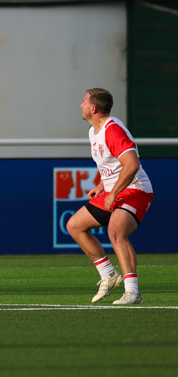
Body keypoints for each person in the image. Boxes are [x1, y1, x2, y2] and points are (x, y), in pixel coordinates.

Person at [66, 88, 154, 305]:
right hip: (113, 189)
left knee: (116, 232)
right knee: (75, 226)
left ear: (93, 108)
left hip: (135, 189)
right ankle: (108, 274)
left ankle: (132, 292)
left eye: (84, 101)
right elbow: (111, 166)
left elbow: (132, 165)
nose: (81, 105)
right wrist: (101, 185)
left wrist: (113, 192)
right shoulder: (93, 130)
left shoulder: (112, 130)